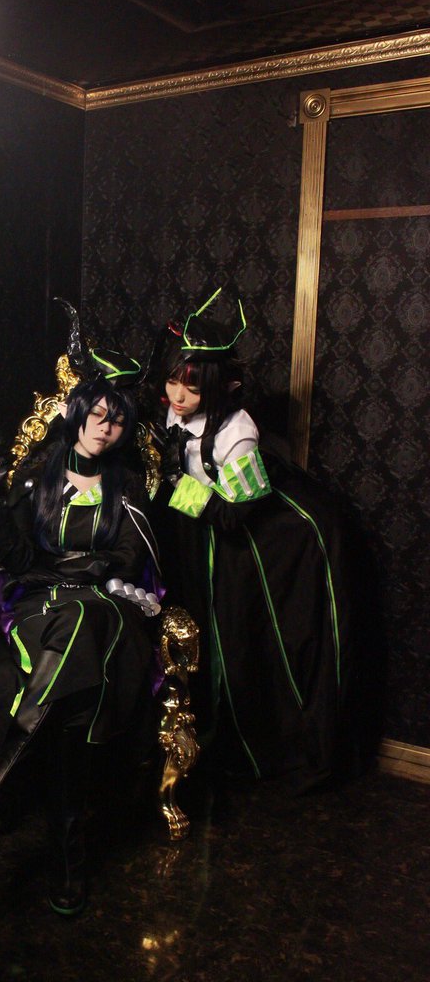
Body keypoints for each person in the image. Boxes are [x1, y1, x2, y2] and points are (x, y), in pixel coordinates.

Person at [0, 326, 160, 917]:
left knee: (82, 614)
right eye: (97, 414)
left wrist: (69, 568)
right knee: (72, 686)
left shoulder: (128, 486)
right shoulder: (36, 476)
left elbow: (125, 562)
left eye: (117, 421)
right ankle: (67, 858)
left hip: (109, 614)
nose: (105, 428)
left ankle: (4, 781)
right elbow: (19, 561)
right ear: (77, 413)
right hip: (41, 611)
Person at [147, 287, 355, 787]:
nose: (178, 396)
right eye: (173, 381)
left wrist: (174, 483)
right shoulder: (174, 410)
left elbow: (232, 515)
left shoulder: (237, 432)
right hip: (185, 535)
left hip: (232, 548)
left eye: (192, 388)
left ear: (223, 387)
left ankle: (232, 744)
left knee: (229, 646)